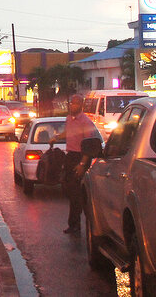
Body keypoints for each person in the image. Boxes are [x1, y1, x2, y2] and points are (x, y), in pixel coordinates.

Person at [57, 93, 100, 235]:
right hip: (70, 156)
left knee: (76, 193)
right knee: (69, 190)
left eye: (75, 103)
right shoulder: (69, 118)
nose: (72, 105)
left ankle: (77, 224)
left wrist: (82, 164)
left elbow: (89, 146)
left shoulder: (85, 122)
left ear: (80, 105)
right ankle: (74, 223)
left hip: (80, 158)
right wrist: (56, 137)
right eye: (71, 103)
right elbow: (68, 132)